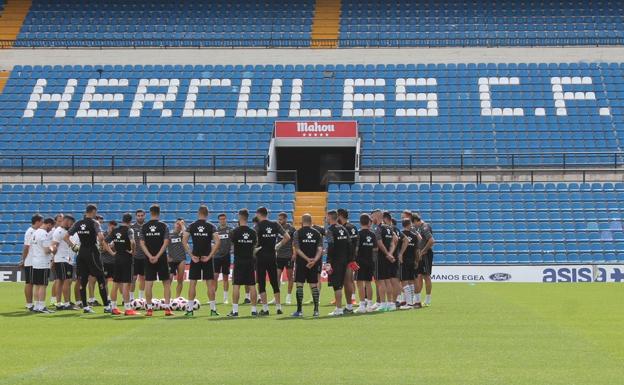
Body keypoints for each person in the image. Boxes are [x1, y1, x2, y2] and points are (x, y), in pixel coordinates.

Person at [65, 204, 115, 314]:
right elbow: (101, 237)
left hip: (81, 252)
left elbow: (66, 237)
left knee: (83, 279)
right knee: (101, 277)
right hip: (92, 251)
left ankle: (86, 307)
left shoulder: (78, 223)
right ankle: (107, 306)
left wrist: (73, 246)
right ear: (93, 212)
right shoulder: (94, 223)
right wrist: (102, 244)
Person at [182, 205, 220, 317]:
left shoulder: (192, 226)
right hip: (206, 258)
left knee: (192, 284)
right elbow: (218, 242)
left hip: (196, 258)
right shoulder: (211, 226)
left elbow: (184, 240)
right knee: (210, 285)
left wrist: (191, 255)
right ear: (207, 214)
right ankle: (213, 310)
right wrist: (209, 256)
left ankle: (189, 310)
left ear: (198, 213)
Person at [254, 206, 290, 316]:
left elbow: (253, 240)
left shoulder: (257, 226)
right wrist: (278, 245)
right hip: (272, 256)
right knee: (274, 281)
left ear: (258, 214)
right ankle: (278, 307)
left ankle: (265, 309)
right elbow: (287, 237)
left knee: (261, 282)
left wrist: (254, 248)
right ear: (267, 214)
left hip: (261, 257)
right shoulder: (275, 224)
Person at [140, 204, 173, 317]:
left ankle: (149, 310)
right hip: (161, 258)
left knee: (149, 283)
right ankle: (167, 309)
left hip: (149, 258)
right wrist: (158, 256)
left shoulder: (144, 227)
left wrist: (150, 256)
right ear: (159, 213)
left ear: (150, 213)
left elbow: (142, 243)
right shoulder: (164, 226)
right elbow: (166, 242)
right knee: (166, 283)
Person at [228, 209, 259, 317]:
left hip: (239, 261)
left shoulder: (234, 232)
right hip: (250, 261)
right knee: (252, 285)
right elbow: (255, 247)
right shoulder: (253, 232)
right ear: (247, 217)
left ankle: (235, 311)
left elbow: (231, 247)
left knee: (236, 285)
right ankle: (254, 310)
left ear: (239, 217)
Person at [291, 214, 323, 317]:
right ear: (311, 221)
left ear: (302, 221)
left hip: (301, 263)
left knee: (299, 285)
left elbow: (297, 249)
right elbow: (320, 249)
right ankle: (316, 310)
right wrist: (314, 260)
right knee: (314, 285)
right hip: (313, 263)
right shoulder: (317, 233)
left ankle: (299, 311)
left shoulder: (297, 233)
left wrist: (306, 259)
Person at [108, 213, 139, 316]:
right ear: (130, 221)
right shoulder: (129, 230)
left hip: (117, 259)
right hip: (126, 259)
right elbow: (133, 242)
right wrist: (133, 251)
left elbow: (104, 241)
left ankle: (113, 307)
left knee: (115, 283)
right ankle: (127, 308)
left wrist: (112, 252)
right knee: (126, 284)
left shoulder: (115, 230)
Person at [325, 210, 353, 316]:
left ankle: (338, 309)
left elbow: (331, 246)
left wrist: (328, 261)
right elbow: (350, 244)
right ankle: (348, 306)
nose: (326, 219)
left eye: (327, 217)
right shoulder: (343, 228)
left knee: (337, 286)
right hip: (345, 260)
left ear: (330, 217)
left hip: (336, 261)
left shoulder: (330, 230)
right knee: (346, 283)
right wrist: (350, 259)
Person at [371, 210, 398, 312]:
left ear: (377, 217)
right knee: (388, 281)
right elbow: (394, 241)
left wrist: (387, 254)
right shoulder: (389, 227)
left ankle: (383, 304)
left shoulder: (378, 228)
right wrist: (390, 253)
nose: (371, 219)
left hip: (380, 257)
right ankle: (391, 304)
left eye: (372, 217)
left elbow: (379, 243)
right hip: (387, 258)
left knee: (381, 282)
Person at [50, 215, 76, 310]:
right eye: (71, 223)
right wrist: (53, 257)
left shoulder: (65, 231)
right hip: (62, 259)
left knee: (61, 281)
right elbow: (53, 245)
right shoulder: (59, 231)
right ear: (66, 221)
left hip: (65, 259)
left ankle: (59, 303)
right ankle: (66, 303)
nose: (72, 225)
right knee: (66, 281)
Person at [31, 218, 55, 313]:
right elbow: (46, 250)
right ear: (48, 224)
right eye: (51, 227)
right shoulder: (44, 234)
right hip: (43, 262)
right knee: (43, 285)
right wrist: (52, 247)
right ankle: (42, 306)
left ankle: (36, 306)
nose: (51, 229)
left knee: (37, 285)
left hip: (35, 261)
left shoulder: (35, 232)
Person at [354, 214, 376, 314]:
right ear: (368, 222)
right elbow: (376, 248)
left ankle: (362, 305)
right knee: (368, 283)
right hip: (370, 261)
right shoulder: (372, 234)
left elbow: (356, 249)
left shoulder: (358, 234)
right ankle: (370, 305)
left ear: (360, 222)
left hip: (360, 262)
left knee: (359, 283)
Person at [272, 212, 296, 305]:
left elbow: (294, 242)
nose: (279, 221)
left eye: (281, 219)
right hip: (279, 256)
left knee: (290, 277)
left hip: (288, 256)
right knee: (276, 276)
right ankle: (276, 297)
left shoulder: (291, 229)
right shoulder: (277, 228)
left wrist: (294, 253)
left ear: (286, 219)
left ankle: (288, 296)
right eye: (279, 219)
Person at [20, 214, 42, 311]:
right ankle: (29, 304)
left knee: (34, 282)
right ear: (37, 222)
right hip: (30, 261)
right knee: (30, 283)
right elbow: (26, 247)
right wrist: (23, 260)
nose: (42, 224)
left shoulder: (36, 231)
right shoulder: (30, 232)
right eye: (41, 221)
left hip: (35, 261)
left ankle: (33, 303)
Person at [397, 218, 420, 309]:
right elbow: (417, 251)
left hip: (403, 261)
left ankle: (409, 303)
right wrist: (417, 261)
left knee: (404, 281)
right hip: (412, 261)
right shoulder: (414, 236)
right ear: (409, 224)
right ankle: (412, 301)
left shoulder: (400, 235)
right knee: (411, 282)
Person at [413, 213, 435, 307]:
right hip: (421, 255)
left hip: (426, 255)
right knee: (419, 276)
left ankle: (428, 299)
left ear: (415, 221)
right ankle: (417, 298)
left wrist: (423, 251)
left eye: (413, 223)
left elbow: (431, 241)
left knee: (426, 276)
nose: (413, 225)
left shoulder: (424, 227)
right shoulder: (420, 228)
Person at [337, 208, 358, 309]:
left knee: (347, 281)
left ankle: (349, 304)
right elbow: (356, 244)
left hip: (346, 258)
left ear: (340, 216)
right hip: (352, 257)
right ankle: (350, 301)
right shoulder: (353, 227)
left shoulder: (344, 228)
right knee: (349, 280)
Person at [213, 213, 233, 304]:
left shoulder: (230, 230)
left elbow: (233, 242)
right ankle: (214, 297)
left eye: (224, 219)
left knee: (225, 277)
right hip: (216, 256)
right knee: (215, 277)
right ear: (218, 220)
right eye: (221, 219)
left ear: (226, 220)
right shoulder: (215, 231)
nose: (222, 221)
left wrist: (232, 249)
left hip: (226, 256)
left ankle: (225, 298)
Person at [167, 218, 187, 299]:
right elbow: (164, 245)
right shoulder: (169, 234)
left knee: (180, 279)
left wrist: (183, 225)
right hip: (172, 259)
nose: (179, 226)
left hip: (181, 259)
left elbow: (186, 234)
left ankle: (177, 298)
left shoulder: (183, 234)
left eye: (180, 224)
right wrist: (167, 256)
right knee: (169, 279)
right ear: (174, 224)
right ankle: (168, 297)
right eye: (177, 224)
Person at [101, 220, 117, 311]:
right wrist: (109, 247)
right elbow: (101, 250)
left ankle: (117, 298)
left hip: (115, 261)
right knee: (105, 280)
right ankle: (107, 298)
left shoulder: (117, 235)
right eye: (111, 227)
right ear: (109, 226)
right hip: (106, 261)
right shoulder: (103, 235)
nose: (113, 229)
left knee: (117, 280)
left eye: (114, 227)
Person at [130, 209, 147, 301]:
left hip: (144, 256)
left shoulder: (147, 227)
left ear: (144, 216)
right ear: (136, 216)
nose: (140, 217)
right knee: (133, 277)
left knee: (143, 277)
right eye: (138, 215)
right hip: (134, 257)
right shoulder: (132, 227)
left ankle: (141, 298)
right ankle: (131, 298)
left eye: (142, 215)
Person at [48, 213, 63, 307]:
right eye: (59, 221)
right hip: (53, 257)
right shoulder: (53, 232)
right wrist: (52, 258)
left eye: (62, 220)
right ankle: (54, 299)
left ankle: (54, 299)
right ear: (55, 221)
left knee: (57, 279)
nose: (61, 222)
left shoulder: (60, 231)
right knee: (58, 279)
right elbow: (51, 245)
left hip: (57, 257)